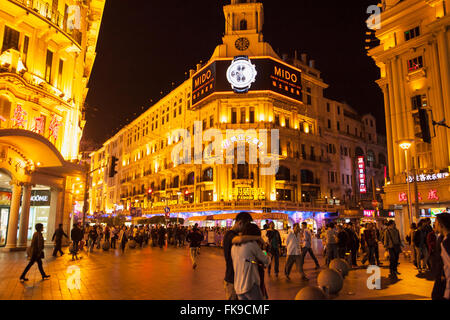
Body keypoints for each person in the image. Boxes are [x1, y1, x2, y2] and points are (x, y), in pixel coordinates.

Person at [231, 223, 270, 300]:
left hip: (238, 287)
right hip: (250, 285)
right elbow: (266, 260)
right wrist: (266, 251)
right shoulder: (252, 244)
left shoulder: (234, 246)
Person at [223, 212, 253, 300]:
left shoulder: (235, 235)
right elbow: (239, 239)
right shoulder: (229, 235)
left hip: (239, 279)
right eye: (245, 226)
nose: (245, 229)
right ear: (240, 223)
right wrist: (257, 238)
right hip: (231, 278)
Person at [431, 212, 450, 300]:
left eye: (436, 222)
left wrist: (447, 294)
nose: (435, 224)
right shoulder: (443, 238)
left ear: (442, 225)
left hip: (444, 279)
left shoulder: (446, 242)